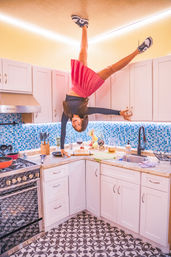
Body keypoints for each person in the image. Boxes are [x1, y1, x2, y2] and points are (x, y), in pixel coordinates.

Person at [60, 15, 153, 157]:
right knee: (111, 69)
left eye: (75, 126)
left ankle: (84, 26)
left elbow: (62, 129)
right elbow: (101, 110)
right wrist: (119, 113)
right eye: (78, 125)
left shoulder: (66, 113)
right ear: (83, 121)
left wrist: (61, 148)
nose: (74, 124)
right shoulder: (84, 111)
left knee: (82, 53)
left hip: (77, 82)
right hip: (86, 88)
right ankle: (138, 51)